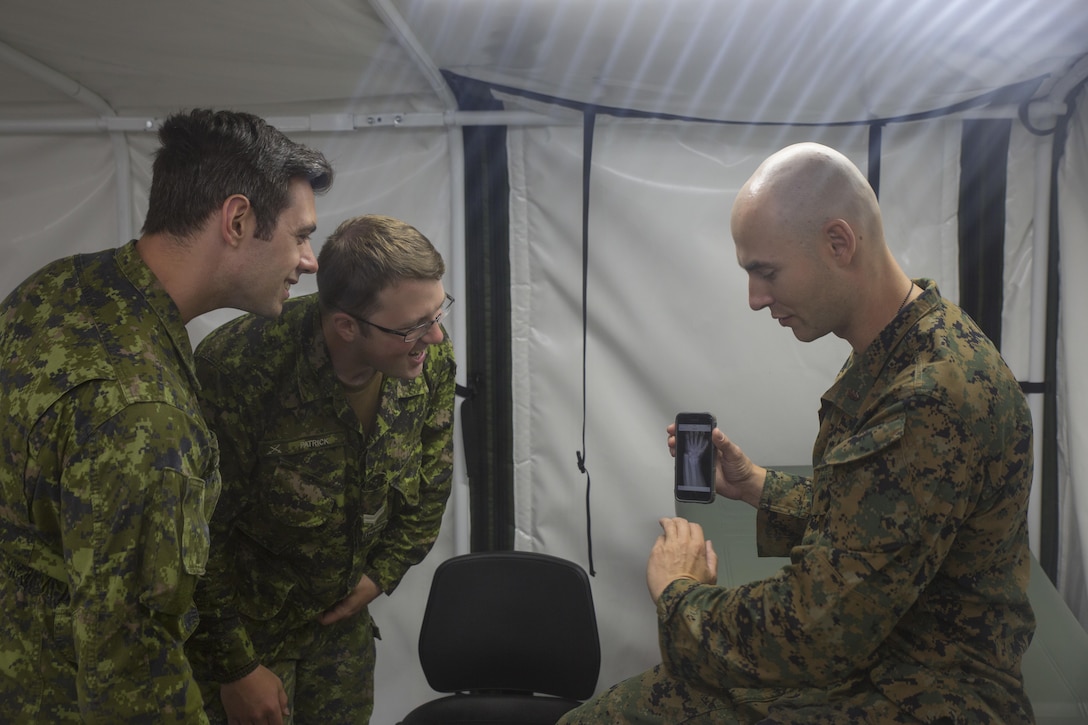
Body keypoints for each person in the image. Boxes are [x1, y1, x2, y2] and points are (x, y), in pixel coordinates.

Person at [560, 142, 1035, 724]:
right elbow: (878, 517)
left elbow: (816, 629)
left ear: (839, 243)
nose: (756, 299)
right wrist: (759, 485)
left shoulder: (927, 393)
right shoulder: (902, 347)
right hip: (882, 662)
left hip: (924, 695)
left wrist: (678, 594)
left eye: (766, 271)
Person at [0, 108, 333, 723]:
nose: (309, 260)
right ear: (237, 220)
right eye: (301, 235)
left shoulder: (53, 290)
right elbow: (132, 669)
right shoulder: (145, 414)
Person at [185, 214, 457, 724]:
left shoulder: (427, 362)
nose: (436, 337)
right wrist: (237, 666)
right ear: (347, 326)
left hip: (341, 632)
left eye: (439, 313)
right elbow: (201, 535)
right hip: (244, 637)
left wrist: (380, 576)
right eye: (416, 327)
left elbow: (430, 488)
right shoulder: (241, 368)